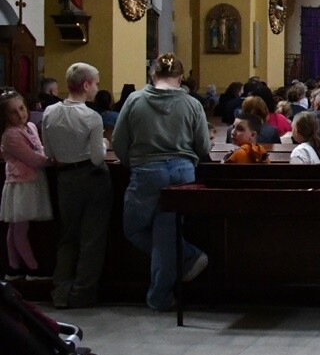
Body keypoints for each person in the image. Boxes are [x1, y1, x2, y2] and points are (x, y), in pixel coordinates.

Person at [111, 53, 211, 311]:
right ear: (180, 77)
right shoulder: (191, 104)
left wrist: (132, 161)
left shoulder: (135, 101)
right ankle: (187, 257)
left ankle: (160, 294)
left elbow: (119, 142)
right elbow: (203, 145)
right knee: (167, 232)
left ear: (152, 75)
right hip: (182, 172)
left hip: (146, 170)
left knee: (134, 229)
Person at [40, 63, 111, 308]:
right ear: (86, 84)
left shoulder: (50, 112)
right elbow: (97, 158)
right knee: (91, 238)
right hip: (91, 178)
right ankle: (82, 294)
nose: (97, 87)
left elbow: (48, 151)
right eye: (97, 82)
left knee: (68, 236)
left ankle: (60, 292)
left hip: (65, 178)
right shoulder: (91, 116)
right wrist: (101, 143)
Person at [1, 90, 54, 282]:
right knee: (19, 228)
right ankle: (32, 269)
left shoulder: (30, 126)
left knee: (17, 227)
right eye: (13, 112)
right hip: (21, 184)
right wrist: (54, 161)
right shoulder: (10, 135)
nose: (20, 114)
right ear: (5, 116)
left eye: (22, 108)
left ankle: (14, 267)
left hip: (31, 181)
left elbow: (40, 149)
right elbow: (34, 159)